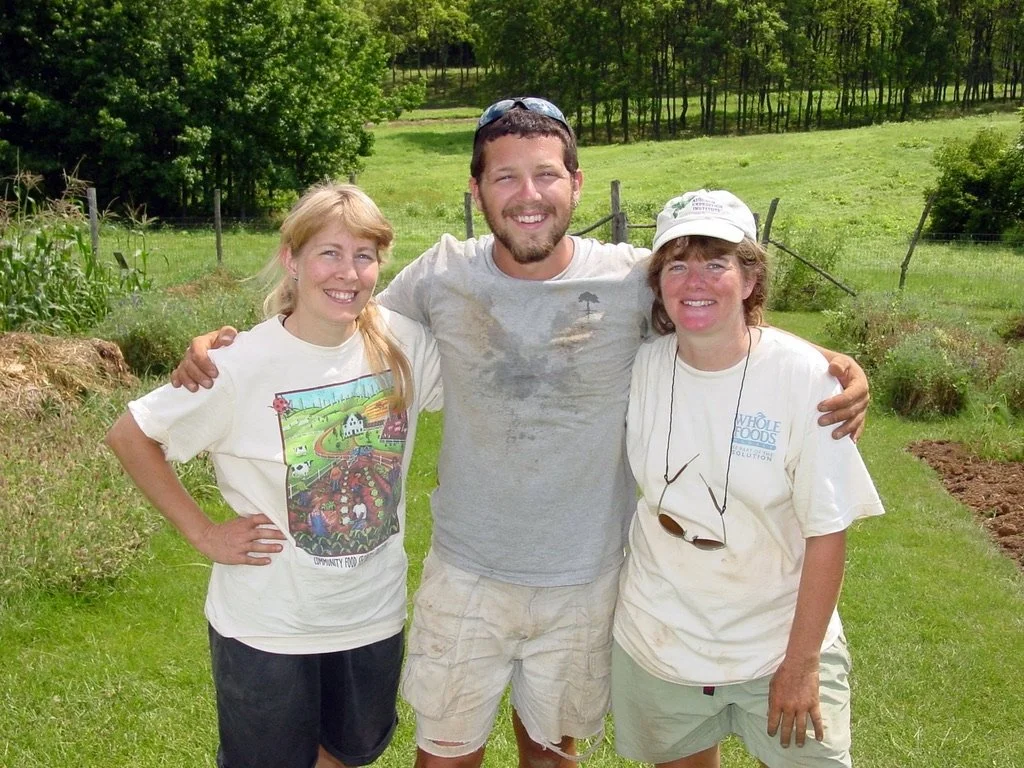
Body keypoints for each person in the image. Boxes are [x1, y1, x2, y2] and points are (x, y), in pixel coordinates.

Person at [170, 98, 870, 768]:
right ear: (476, 189)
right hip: (466, 571)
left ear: (575, 182)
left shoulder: (630, 279)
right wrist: (229, 345)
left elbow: (713, 307)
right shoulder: (442, 273)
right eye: (505, 176)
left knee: (551, 755)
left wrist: (823, 365)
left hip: (585, 579)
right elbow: (338, 315)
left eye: (545, 174)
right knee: (446, 754)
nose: (526, 194)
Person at [106, 183, 442, 768]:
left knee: (350, 753)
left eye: (364, 255)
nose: (348, 272)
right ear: (292, 259)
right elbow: (131, 434)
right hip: (270, 625)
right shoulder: (237, 367)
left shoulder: (402, 344)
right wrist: (204, 534)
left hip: (371, 611)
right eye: (329, 253)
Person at [611, 189, 884, 768]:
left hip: (778, 643)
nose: (695, 282)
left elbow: (827, 530)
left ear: (751, 275)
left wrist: (802, 662)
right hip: (662, 642)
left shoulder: (805, 381)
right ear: (657, 281)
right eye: (677, 265)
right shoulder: (637, 366)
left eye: (717, 263)